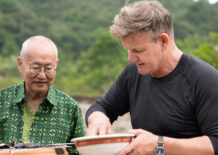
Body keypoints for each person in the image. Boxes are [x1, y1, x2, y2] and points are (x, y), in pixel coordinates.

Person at [85, 1, 218, 155]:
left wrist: (159, 144)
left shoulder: (205, 79)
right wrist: (98, 118)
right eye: (128, 50)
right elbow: (101, 106)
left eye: (138, 50)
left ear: (163, 41)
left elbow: (216, 142)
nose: (130, 58)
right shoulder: (133, 73)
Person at [0, 35, 85, 154]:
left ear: (56, 65)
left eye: (48, 68)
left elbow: (80, 152)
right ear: (20, 64)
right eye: (35, 68)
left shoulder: (70, 108)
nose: (42, 75)